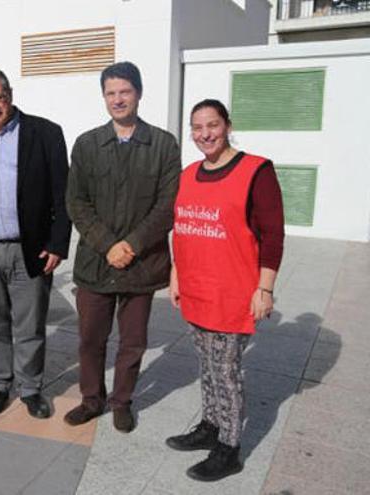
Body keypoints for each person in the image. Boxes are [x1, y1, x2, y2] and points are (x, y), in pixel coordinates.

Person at [166, 99, 284, 481]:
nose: (205, 134)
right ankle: (211, 426)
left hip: (233, 292)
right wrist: (176, 274)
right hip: (197, 288)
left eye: (212, 125)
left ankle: (230, 447)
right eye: (197, 128)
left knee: (227, 370)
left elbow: (272, 235)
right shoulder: (188, 174)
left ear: (228, 125)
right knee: (206, 365)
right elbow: (182, 228)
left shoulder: (256, 171)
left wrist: (264, 289)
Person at [65, 61, 181, 432]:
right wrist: (108, 245)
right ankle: (91, 399)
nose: (118, 99)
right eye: (111, 93)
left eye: (125, 91)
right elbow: (76, 203)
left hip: (141, 264)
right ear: (104, 97)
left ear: (139, 94)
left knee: (133, 342)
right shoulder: (86, 145)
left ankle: (121, 401)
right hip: (96, 263)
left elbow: (168, 204)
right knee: (90, 339)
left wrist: (130, 245)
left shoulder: (163, 144)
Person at [0, 68, 70, 419]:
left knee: (31, 324)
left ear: (10, 94)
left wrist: (57, 244)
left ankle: (31, 388)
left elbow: (62, 194)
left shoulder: (45, 133)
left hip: (30, 247)